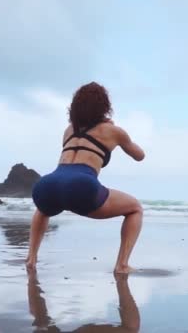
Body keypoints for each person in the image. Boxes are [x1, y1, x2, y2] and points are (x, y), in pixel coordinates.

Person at [26, 82, 145, 274]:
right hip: (81, 185)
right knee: (135, 208)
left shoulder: (69, 130)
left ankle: (31, 258)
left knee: (43, 209)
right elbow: (140, 156)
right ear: (104, 108)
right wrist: (118, 135)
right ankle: (122, 265)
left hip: (48, 184)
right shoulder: (113, 131)